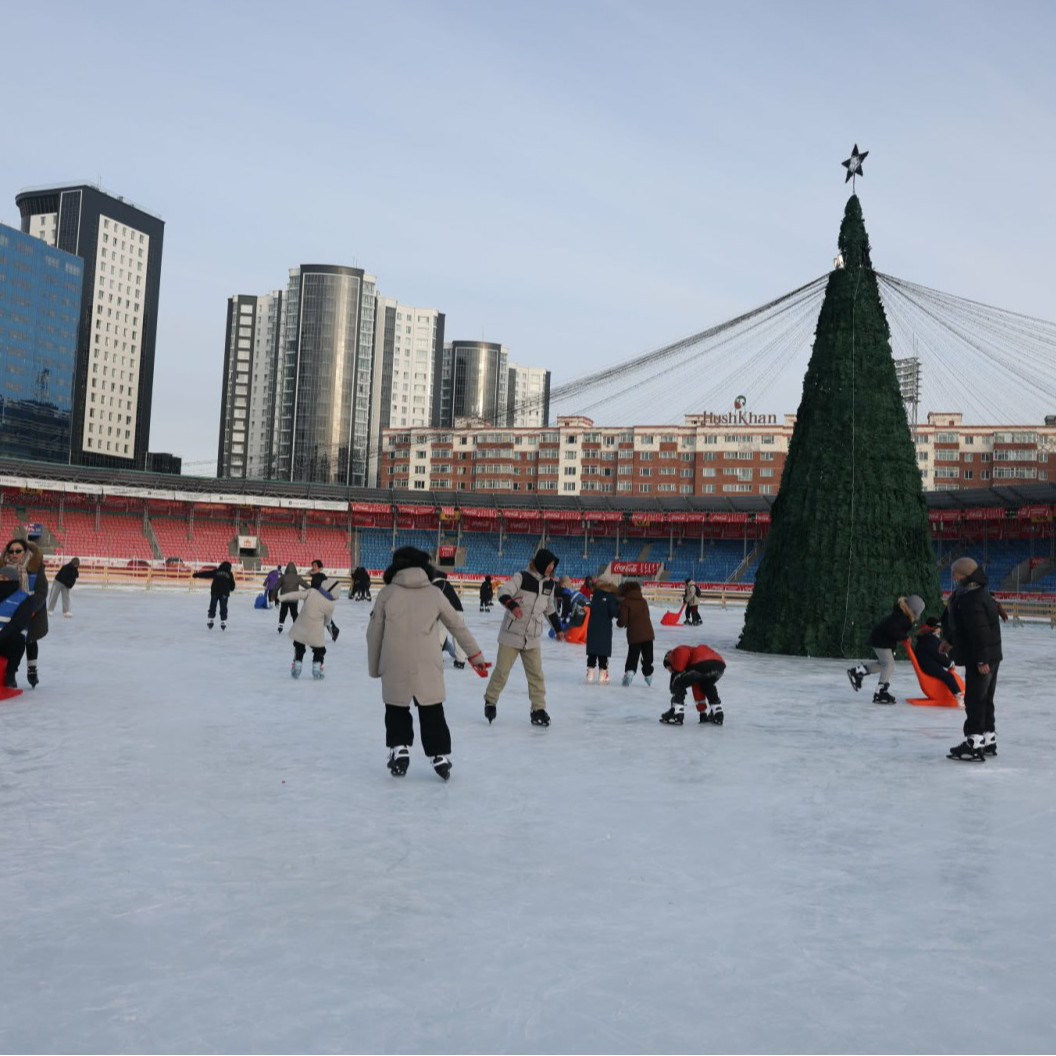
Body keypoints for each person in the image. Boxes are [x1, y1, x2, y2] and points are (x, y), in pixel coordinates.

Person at [366, 546, 490, 780]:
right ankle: (439, 755)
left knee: (396, 707)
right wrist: (475, 656)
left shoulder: (387, 594)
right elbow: (457, 625)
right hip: (427, 660)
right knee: (432, 708)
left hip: (395, 660)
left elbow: (374, 633)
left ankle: (400, 749)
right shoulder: (434, 593)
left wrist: (375, 667)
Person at [483, 548, 563, 727]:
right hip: (511, 635)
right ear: (541, 563)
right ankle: (490, 700)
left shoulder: (550, 585)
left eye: (553, 566)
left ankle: (538, 709)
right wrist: (513, 606)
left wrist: (558, 629)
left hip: (532, 637)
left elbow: (549, 609)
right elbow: (503, 592)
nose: (551, 568)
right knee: (502, 672)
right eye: (549, 565)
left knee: (536, 675)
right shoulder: (522, 577)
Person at [940, 557, 1002, 762]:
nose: (954, 576)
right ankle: (988, 737)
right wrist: (949, 641)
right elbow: (963, 627)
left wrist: (982, 660)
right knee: (985, 698)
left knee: (975, 699)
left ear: (965, 575)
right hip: (990, 654)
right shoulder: (977, 593)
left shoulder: (971, 598)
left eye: (956, 573)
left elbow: (979, 631)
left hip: (981, 656)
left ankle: (974, 741)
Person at [847, 594, 925, 703]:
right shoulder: (902, 618)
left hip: (880, 639)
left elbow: (894, 629)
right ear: (914, 611)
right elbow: (892, 629)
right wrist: (904, 637)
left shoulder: (901, 614)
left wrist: (903, 636)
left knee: (883, 664)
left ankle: (857, 672)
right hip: (881, 641)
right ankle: (880, 692)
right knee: (889, 665)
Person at [280, 572, 339, 679]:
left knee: (299, 646)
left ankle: (297, 664)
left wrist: (281, 597)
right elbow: (327, 621)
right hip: (315, 631)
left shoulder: (311, 592)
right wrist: (323, 623)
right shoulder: (330, 604)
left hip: (301, 627)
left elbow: (296, 594)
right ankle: (317, 667)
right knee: (319, 650)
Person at [0, 540, 39, 692]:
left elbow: (18, 624)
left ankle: (10, 675)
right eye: (0, 578)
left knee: (19, 640)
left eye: (6, 579)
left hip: (6, 640)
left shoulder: (23, 598)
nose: (2, 581)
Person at [660, 644, 726, 726]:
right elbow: (696, 687)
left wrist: (678, 673)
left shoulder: (673, 653)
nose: (670, 671)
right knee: (706, 685)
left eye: (668, 668)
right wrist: (702, 714)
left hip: (703, 661)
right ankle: (717, 713)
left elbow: (682, 652)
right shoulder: (693, 664)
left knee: (678, 682)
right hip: (719, 664)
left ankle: (677, 714)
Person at [914, 616, 963, 704]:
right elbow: (938, 655)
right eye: (938, 628)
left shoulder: (925, 638)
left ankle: (956, 693)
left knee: (947, 675)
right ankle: (959, 695)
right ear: (934, 628)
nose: (940, 630)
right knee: (949, 676)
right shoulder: (930, 640)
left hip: (927, 663)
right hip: (929, 666)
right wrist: (949, 664)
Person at [617, 579, 656, 686]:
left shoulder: (626, 602)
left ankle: (630, 672)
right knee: (648, 656)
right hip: (648, 633)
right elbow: (647, 615)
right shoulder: (643, 601)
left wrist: (619, 623)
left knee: (633, 655)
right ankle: (648, 675)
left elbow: (623, 620)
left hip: (634, 634)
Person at [584, 578, 620, 683]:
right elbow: (614, 612)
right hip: (605, 627)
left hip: (593, 626)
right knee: (603, 651)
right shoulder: (611, 596)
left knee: (592, 651)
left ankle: (590, 674)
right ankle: (602, 675)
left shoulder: (595, 594)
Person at [431, 567, 466, 668]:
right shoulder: (448, 585)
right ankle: (461, 661)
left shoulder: (437, 584)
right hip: (459, 611)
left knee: (439, 636)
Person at [192, 560, 237, 629]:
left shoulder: (216, 571)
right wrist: (231, 588)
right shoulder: (229, 574)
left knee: (213, 605)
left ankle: (211, 619)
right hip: (224, 593)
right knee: (223, 606)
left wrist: (196, 575)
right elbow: (232, 584)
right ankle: (223, 620)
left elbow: (206, 574)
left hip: (215, 591)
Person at [310, 559, 340, 641]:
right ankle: (333, 629)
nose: (313, 567)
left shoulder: (321, 575)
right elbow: (309, 574)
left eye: (315, 565)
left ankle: (332, 629)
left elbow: (325, 587)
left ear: (319, 567)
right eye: (312, 565)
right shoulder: (315, 575)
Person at [276, 561, 308, 631]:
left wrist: (274, 596)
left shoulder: (283, 577)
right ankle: (296, 626)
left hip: (284, 598)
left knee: (283, 611)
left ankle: (280, 625)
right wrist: (314, 589)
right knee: (294, 612)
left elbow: (276, 587)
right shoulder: (297, 577)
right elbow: (305, 585)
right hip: (294, 598)